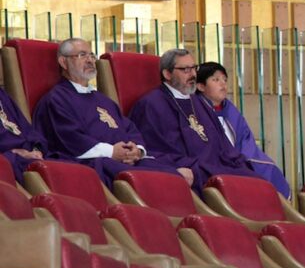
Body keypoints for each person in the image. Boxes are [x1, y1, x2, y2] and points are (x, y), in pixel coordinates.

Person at [33, 38, 186, 187]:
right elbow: (69, 139)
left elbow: (129, 127)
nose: (90, 60)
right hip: (93, 163)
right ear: (63, 62)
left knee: (176, 174)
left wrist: (137, 150)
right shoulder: (56, 99)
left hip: (125, 160)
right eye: (82, 55)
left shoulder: (103, 100)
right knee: (155, 180)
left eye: (92, 55)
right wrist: (112, 152)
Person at [129, 48, 259, 191]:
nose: (193, 74)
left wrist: (240, 164)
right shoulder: (151, 105)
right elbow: (151, 150)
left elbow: (224, 146)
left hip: (217, 169)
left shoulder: (200, 102)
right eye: (185, 70)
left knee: (258, 181)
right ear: (167, 73)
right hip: (193, 175)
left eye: (194, 68)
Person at [196, 62, 291, 197]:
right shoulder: (194, 109)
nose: (223, 84)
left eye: (224, 79)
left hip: (236, 160)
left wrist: (244, 161)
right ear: (200, 86)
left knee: (270, 170)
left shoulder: (230, 110)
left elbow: (245, 140)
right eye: (216, 80)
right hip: (212, 163)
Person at [0, 87, 47, 182]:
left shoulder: (1, 94)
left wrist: (35, 150)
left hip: (30, 155)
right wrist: (14, 153)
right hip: (10, 162)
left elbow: (26, 129)